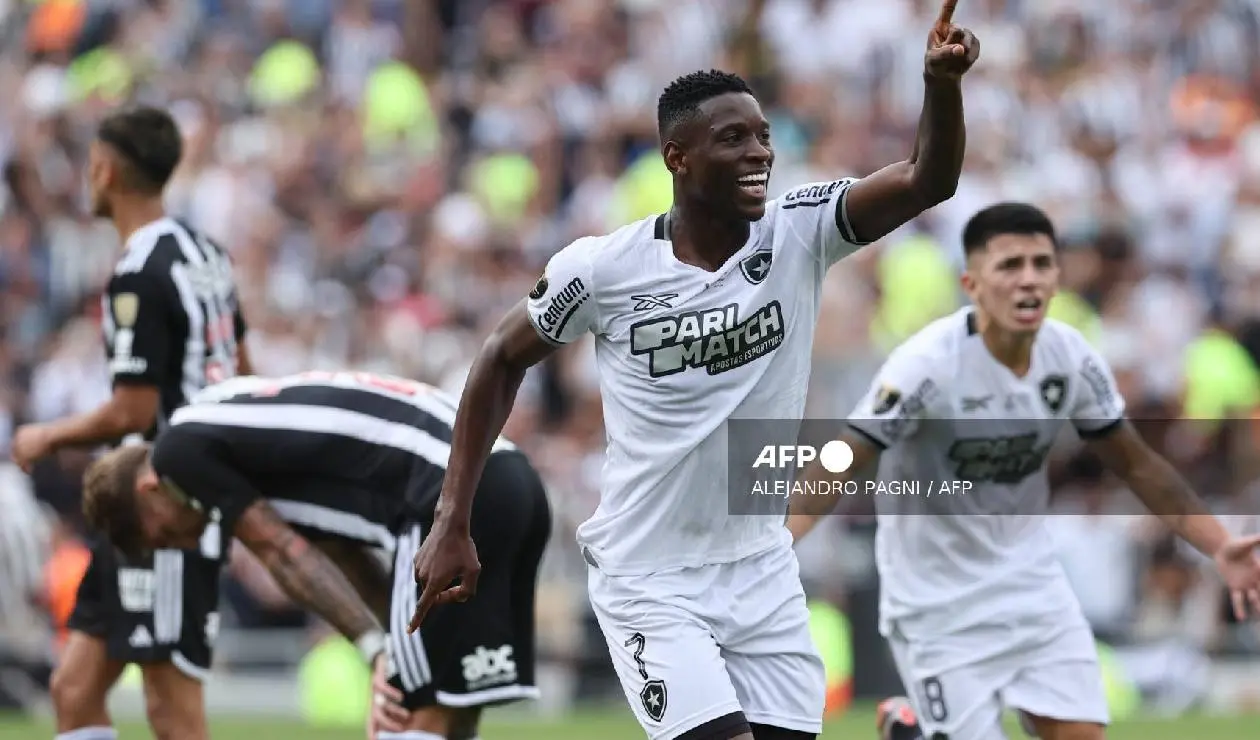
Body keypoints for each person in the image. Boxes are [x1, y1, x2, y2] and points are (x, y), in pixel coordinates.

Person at [407, 2, 979, 738]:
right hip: (651, 578)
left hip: (760, 568)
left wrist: (941, 84)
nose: (758, 154)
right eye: (732, 139)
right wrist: (452, 517)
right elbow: (498, 358)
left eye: (764, 138)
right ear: (677, 157)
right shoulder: (605, 269)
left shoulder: (800, 232)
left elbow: (927, 179)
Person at [787, 202, 1260, 740]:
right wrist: (780, 543)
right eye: (1009, 266)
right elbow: (846, 455)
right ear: (972, 281)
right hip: (937, 603)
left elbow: (1136, 463)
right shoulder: (927, 364)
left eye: (1040, 264)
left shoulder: (1070, 358)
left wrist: (1219, 544)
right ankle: (915, 728)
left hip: (1032, 588)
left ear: (1057, 277)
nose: (1027, 279)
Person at [80, 370, 551, 740]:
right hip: (511, 483)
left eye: (161, 534)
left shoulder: (177, 455)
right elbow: (342, 552)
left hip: (447, 497)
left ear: (148, 489)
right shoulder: (245, 439)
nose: (182, 542)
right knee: (452, 715)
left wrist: (375, 652)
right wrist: (391, 637)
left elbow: (283, 552)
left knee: (403, 716)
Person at [10, 106, 250, 740]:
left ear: (106, 169)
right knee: (74, 689)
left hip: (164, 507)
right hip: (148, 507)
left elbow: (134, 412)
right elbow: (245, 369)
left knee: (172, 710)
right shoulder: (207, 255)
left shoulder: (140, 271)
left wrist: (47, 434)